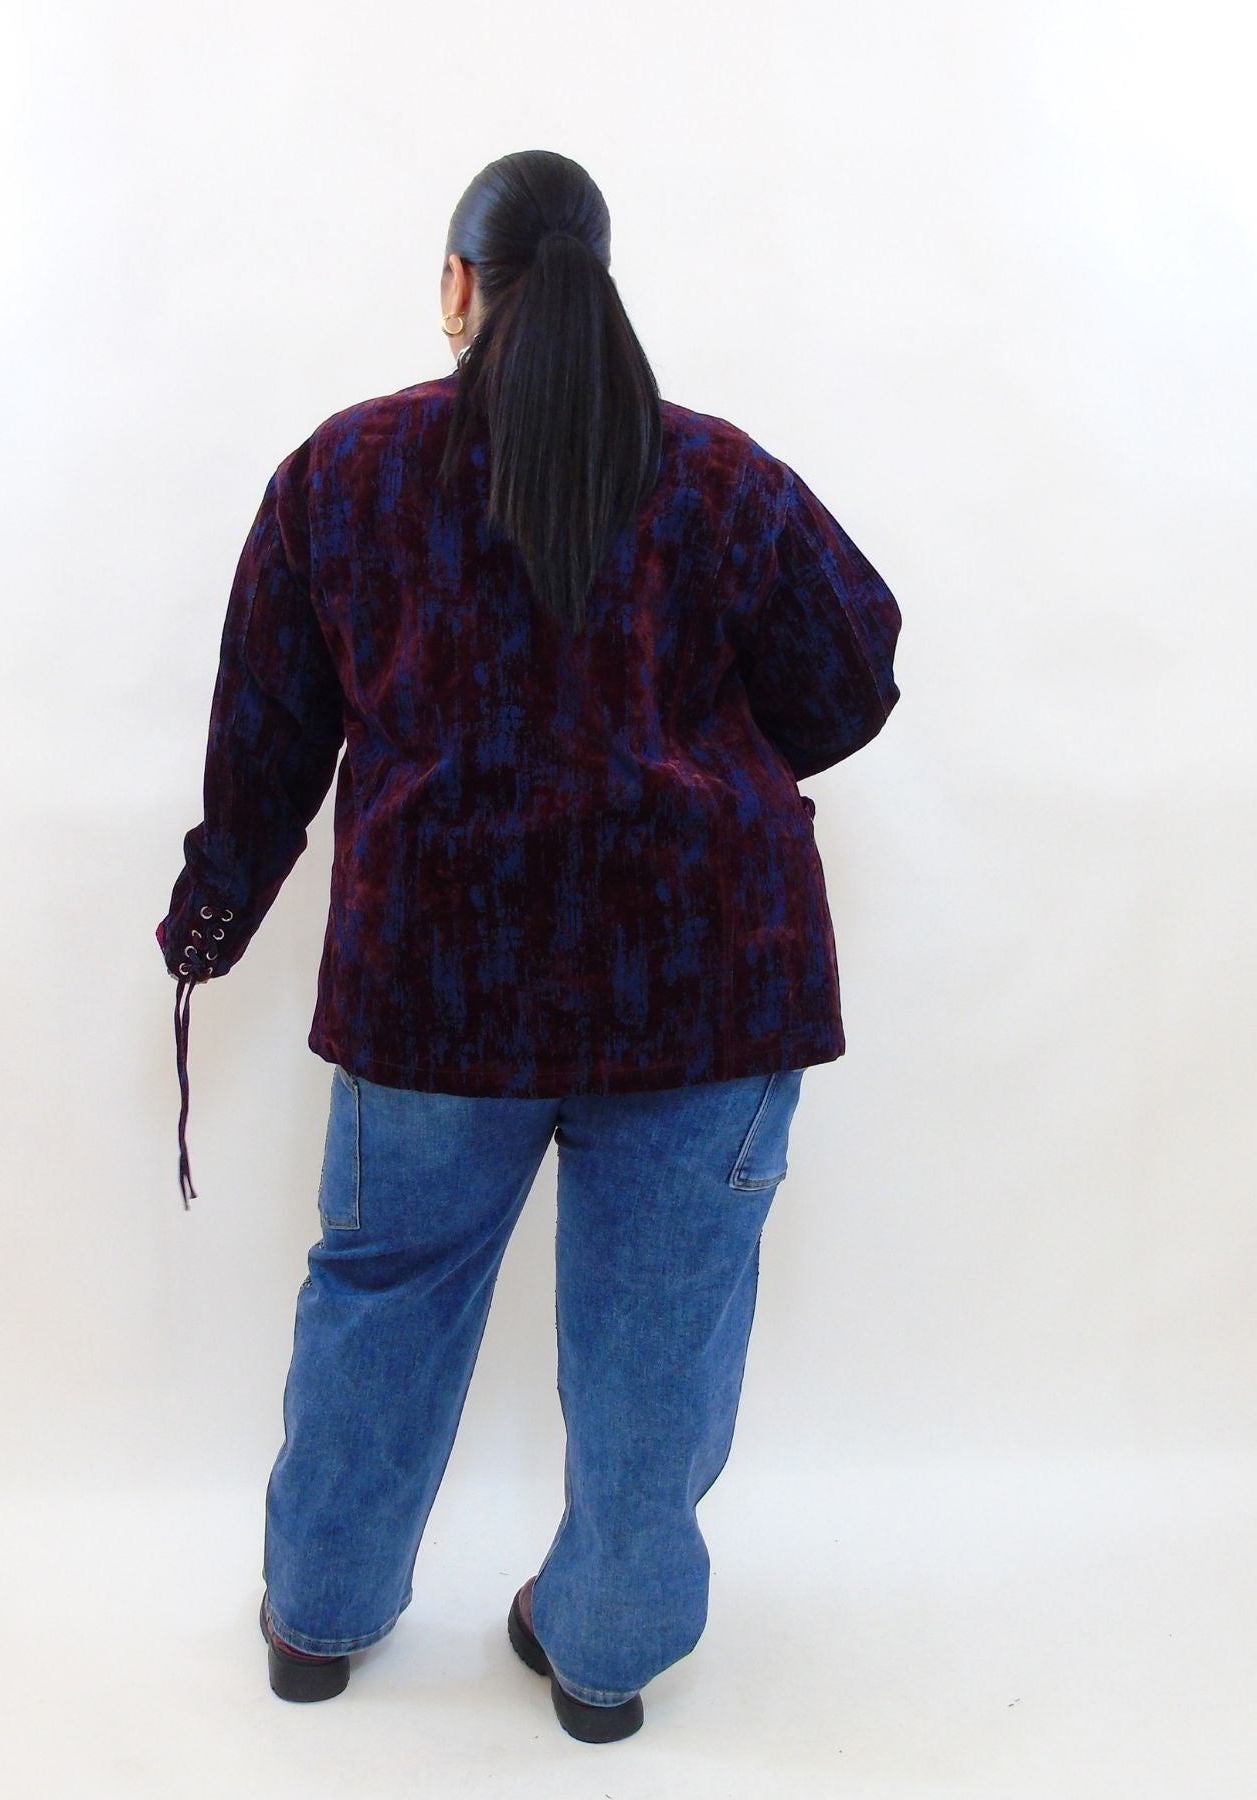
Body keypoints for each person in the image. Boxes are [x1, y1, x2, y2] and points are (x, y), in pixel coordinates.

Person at [156, 148, 902, 1745]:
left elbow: (265, 742)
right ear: (601, 287)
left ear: (456, 287)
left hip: (436, 994)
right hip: (708, 993)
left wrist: (212, 910)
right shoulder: (726, 479)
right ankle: (604, 1659)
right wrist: (681, 750)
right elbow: (851, 685)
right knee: (659, 1345)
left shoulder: (342, 474)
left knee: (382, 1300)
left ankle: (317, 1622)